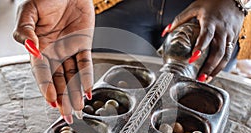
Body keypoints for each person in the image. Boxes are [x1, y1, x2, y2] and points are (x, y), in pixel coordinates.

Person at [13, 0, 249, 124]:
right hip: (110, 5)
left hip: (217, 10)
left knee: (192, 105)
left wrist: (237, 2)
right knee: (115, 100)